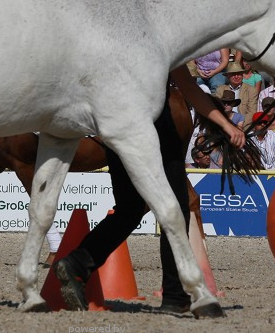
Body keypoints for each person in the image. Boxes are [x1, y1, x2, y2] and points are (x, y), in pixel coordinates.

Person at [54, 64, 242, 314]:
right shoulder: (161, 42)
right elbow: (189, 89)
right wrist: (227, 125)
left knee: (129, 210)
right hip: (157, 128)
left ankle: (78, 262)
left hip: (116, 128)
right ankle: (175, 295)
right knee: (176, 208)